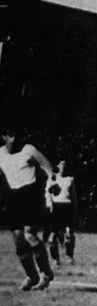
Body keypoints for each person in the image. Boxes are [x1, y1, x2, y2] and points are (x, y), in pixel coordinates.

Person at [0, 124, 56, 290]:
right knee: (18, 240)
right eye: (10, 135)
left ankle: (46, 273)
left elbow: (47, 166)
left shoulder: (28, 150)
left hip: (30, 194)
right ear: (3, 136)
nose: (15, 139)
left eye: (17, 135)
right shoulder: (0, 154)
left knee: (30, 235)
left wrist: (52, 185)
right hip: (13, 197)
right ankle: (32, 276)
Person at [46, 159, 78, 267]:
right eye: (62, 165)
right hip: (56, 207)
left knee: (69, 235)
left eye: (65, 165)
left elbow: (73, 195)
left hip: (67, 206)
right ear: (58, 166)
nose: (63, 167)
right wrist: (50, 204)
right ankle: (56, 259)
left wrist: (75, 209)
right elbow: (48, 193)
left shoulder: (70, 179)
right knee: (52, 237)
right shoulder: (53, 178)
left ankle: (70, 256)